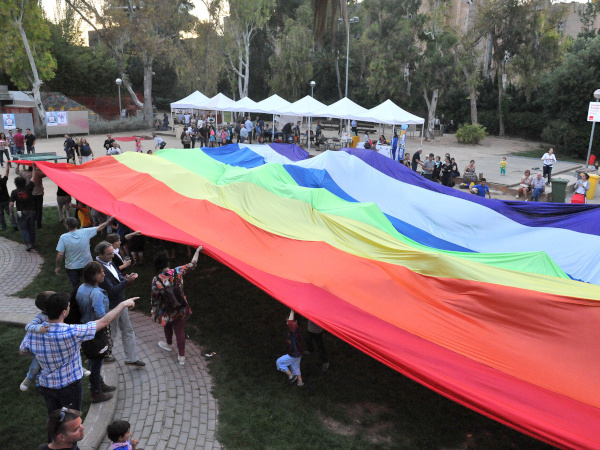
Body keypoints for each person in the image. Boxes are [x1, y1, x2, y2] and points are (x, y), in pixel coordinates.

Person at [20, 292, 137, 415]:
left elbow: (23, 351)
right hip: (70, 386)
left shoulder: (34, 331)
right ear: (64, 312)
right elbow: (104, 322)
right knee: (72, 419)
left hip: (46, 386)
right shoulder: (72, 331)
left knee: (54, 419)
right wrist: (123, 304)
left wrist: (43, 351)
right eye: (68, 306)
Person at [95, 241, 145, 367]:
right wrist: (125, 282)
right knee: (112, 332)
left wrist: (127, 279)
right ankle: (105, 354)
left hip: (121, 302)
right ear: (100, 254)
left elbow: (118, 277)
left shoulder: (110, 263)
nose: (113, 256)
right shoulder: (99, 269)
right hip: (112, 306)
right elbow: (110, 291)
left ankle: (131, 358)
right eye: (109, 254)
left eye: (112, 253)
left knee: (128, 330)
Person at [152, 246, 202, 366]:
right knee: (180, 331)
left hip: (166, 309)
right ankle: (181, 357)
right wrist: (197, 251)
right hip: (181, 307)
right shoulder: (178, 271)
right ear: (167, 261)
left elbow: (155, 298)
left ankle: (168, 344)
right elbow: (193, 264)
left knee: (167, 325)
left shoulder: (156, 280)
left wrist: (154, 312)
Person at [76, 262, 117, 403]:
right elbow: (101, 315)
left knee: (92, 359)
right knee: (96, 362)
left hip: (84, 328)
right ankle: (96, 392)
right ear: (92, 276)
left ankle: (99, 383)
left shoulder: (82, 288)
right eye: (100, 272)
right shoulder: (96, 293)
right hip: (95, 330)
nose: (103, 274)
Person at [56, 216, 112, 292]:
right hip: (87, 264)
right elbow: (101, 227)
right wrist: (110, 220)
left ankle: (79, 299)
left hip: (72, 267)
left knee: (76, 286)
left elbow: (60, 254)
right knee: (90, 283)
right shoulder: (85, 232)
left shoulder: (63, 237)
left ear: (67, 226)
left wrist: (58, 266)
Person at [9, 164, 40, 251]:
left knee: (23, 228)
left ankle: (28, 243)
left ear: (16, 184)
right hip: (31, 210)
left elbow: (11, 204)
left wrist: (11, 213)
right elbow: (33, 178)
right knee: (31, 227)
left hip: (21, 212)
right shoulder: (28, 187)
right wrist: (34, 167)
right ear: (24, 182)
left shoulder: (14, 192)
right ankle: (33, 243)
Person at [276, 310, 304, 386]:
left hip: (294, 354)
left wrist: (292, 311)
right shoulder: (297, 330)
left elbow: (291, 323)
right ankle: (300, 382)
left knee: (279, 362)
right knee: (296, 366)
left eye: (288, 322)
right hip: (298, 353)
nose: (287, 323)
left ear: (295, 322)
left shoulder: (294, 330)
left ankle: (291, 376)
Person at [0, 164, 17, 231]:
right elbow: (7, 172)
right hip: (7, 200)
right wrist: (7, 165)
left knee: (1, 215)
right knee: (10, 213)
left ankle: (4, 227)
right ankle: (14, 225)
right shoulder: (3, 181)